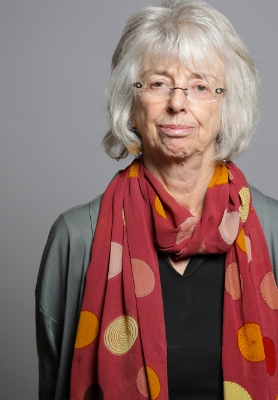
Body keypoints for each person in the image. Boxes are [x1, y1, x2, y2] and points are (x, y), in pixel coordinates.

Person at [36, 0, 278, 399]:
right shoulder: (76, 237)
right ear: (131, 105)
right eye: (158, 83)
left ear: (227, 106)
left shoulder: (271, 231)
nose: (178, 102)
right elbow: (54, 385)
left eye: (200, 86)